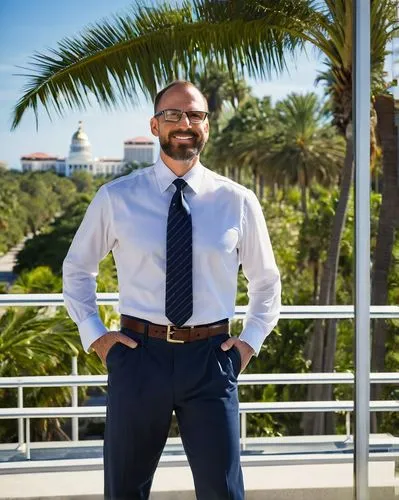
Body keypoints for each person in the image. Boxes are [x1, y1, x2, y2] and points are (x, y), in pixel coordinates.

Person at [63, 80, 281, 500]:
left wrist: (246, 346)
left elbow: (266, 283)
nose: (184, 123)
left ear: (207, 126)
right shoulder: (116, 197)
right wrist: (98, 337)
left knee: (223, 492)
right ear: (154, 124)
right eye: (173, 114)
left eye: (195, 115)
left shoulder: (237, 201)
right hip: (138, 357)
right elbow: (76, 271)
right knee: (124, 490)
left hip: (212, 360)